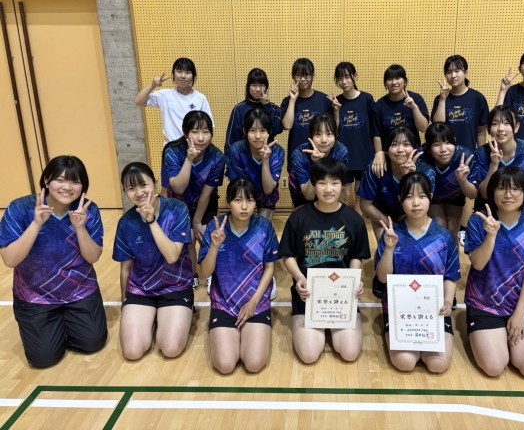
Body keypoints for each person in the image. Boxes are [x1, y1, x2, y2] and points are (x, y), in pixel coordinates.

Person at [0, 156, 107, 368]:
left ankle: (65, 324)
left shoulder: (87, 210)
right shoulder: (20, 208)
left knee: (92, 343)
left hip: (80, 292)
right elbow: (10, 260)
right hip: (35, 297)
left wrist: (80, 228)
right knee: (43, 359)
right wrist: (36, 224)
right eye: (60, 180)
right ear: (47, 181)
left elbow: (93, 257)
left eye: (75, 182)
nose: (67, 187)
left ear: (83, 186)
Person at [279, 158, 370, 364]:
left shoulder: (354, 220)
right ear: (313, 184)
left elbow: (357, 256)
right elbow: (288, 256)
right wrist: (299, 278)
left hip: (342, 297)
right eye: (322, 183)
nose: (328, 189)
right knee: (309, 355)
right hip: (308, 296)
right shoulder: (298, 217)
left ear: (342, 185)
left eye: (335, 183)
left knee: (349, 352)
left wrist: (354, 280)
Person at [464, 166, 524, 379]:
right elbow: (478, 264)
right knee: (494, 367)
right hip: (484, 303)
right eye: (502, 188)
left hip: (520, 304)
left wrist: (519, 314)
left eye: (515, 189)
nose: (508, 194)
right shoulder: (478, 221)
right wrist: (491, 236)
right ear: (493, 192)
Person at [376, 172, 460, 373]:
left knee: (438, 365)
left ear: (430, 197)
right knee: (404, 362)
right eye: (409, 197)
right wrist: (389, 249)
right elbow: (382, 277)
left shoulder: (444, 237)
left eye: (422, 196)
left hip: (433, 311)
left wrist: (448, 301)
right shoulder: (392, 234)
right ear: (400, 199)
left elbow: (451, 276)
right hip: (399, 311)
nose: (415, 203)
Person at [198, 179, 279, 374]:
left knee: (254, 364)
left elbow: (270, 268)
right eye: (237, 200)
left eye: (249, 200)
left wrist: (254, 303)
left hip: (256, 303)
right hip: (224, 303)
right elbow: (205, 273)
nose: (244, 206)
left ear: (255, 204)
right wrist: (215, 246)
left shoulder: (264, 227)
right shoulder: (215, 228)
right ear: (228, 202)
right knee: (224, 365)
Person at [114, 162, 193, 360]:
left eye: (143, 185)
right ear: (125, 192)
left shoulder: (177, 209)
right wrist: (126, 303)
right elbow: (125, 269)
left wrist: (151, 221)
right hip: (141, 289)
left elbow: (172, 256)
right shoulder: (126, 222)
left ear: (155, 184)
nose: (139, 192)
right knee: (132, 352)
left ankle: (165, 318)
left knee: (170, 349)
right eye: (131, 188)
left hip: (175, 287)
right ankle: (151, 319)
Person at [359, 126, 436, 298]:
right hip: (382, 212)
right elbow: (365, 205)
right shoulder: (376, 168)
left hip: (413, 213)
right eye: (394, 144)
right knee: (385, 239)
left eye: (406, 144)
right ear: (387, 149)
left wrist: (412, 178)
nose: (400, 150)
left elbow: (425, 203)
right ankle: (382, 278)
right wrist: (389, 224)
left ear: (415, 148)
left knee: (412, 242)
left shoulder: (425, 170)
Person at [161, 110, 225, 289]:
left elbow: (206, 193)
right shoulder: (173, 151)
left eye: (206, 132)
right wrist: (189, 159)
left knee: (207, 236)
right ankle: (192, 274)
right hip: (179, 204)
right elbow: (178, 188)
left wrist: (197, 221)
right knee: (187, 239)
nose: (201, 138)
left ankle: (211, 274)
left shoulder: (217, 157)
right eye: (195, 132)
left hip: (206, 203)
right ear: (185, 133)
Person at [473, 105, 524, 212]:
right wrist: (494, 164)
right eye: (495, 124)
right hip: (487, 211)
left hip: (517, 213)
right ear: (488, 129)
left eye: (506, 123)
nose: (501, 129)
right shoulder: (481, 153)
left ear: (516, 127)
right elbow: (485, 194)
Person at [327, 62, 375, 213]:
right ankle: (343, 223)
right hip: (343, 155)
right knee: (344, 194)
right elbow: (333, 132)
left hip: (364, 154)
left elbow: (374, 129)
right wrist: (336, 112)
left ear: (355, 76)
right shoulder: (335, 102)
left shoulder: (367, 99)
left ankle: (357, 224)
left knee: (360, 196)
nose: (344, 81)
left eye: (347, 77)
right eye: (340, 78)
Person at [134, 57, 213, 143]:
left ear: (193, 76)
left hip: (194, 146)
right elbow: (138, 101)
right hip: (171, 146)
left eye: (187, 72)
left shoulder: (200, 98)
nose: (183, 76)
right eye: (179, 71)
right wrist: (152, 86)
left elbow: (209, 126)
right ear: (173, 74)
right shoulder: (164, 95)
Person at [227, 109, 285, 221]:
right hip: (243, 196)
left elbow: (269, 190)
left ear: (269, 131)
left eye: (263, 130)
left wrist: (265, 160)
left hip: (266, 198)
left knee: (262, 227)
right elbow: (238, 186)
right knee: (245, 225)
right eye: (252, 130)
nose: (258, 136)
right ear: (245, 131)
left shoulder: (278, 152)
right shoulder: (236, 151)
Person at [371, 64, 429, 177]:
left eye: (398, 78)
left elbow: (423, 128)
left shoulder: (416, 99)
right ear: (385, 83)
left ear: (405, 81)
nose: (394, 82)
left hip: (412, 153)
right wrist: (379, 153)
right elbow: (376, 134)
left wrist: (414, 107)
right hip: (390, 155)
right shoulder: (379, 106)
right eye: (389, 79)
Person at [423, 122, 478, 239]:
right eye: (436, 144)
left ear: (455, 141)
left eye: (448, 143)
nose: (443, 149)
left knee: (453, 233)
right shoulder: (421, 157)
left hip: (455, 197)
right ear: (429, 148)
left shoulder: (466, 157)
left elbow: (472, 195)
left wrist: (463, 181)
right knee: (440, 230)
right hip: (433, 198)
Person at [281, 58, 332, 169]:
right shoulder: (287, 101)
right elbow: (287, 125)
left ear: (313, 76)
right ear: (293, 77)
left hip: (321, 156)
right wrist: (293, 100)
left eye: (307, 75)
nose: (303, 79)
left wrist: (336, 112)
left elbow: (333, 130)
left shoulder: (324, 100)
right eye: (299, 75)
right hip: (297, 156)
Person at [288, 114, 349, 208]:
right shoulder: (299, 154)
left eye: (329, 134)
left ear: (336, 135)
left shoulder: (341, 151)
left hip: (328, 193)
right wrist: (317, 164)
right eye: (318, 134)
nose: (324, 140)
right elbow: (308, 196)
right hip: (303, 194)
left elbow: (336, 185)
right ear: (311, 136)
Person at [432, 55, 489, 152]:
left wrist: (481, 154)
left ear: (466, 73)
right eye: (449, 72)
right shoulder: (440, 98)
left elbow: (481, 131)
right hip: (445, 154)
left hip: (469, 154)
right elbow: (438, 126)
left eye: (457, 71)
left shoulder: (477, 98)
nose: (453, 75)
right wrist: (442, 100)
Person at [224, 68, 283, 152]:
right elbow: (231, 140)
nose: (258, 89)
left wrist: (266, 106)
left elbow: (276, 130)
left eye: (262, 85)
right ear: (248, 87)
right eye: (254, 85)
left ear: (267, 87)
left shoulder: (273, 108)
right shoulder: (239, 109)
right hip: (244, 155)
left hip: (267, 153)